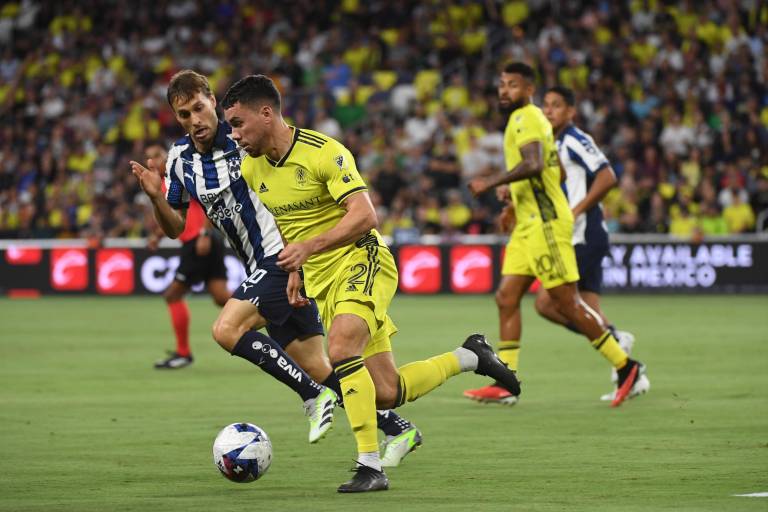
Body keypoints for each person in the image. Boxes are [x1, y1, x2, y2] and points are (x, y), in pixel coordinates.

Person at [222, 74, 521, 493]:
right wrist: (295, 271)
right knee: (384, 392)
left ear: (266, 113)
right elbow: (287, 223)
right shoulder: (253, 168)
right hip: (323, 281)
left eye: (237, 123)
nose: (234, 135)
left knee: (340, 349)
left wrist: (311, 248)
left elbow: (365, 215)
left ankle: (370, 466)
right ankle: (470, 356)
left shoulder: (323, 151)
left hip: (363, 258)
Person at [131, 70, 421, 466]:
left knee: (227, 329)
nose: (194, 120)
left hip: (283, 257)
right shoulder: (180, 160)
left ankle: (311, 397)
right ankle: (396, 426)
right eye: (183, 115)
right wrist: (155, 198)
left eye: (199, 108)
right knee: (318, 366)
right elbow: (175, 227)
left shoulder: (246, 141)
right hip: (263, 266)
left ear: (213, 101)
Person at [463, 62, 647, 408]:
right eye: (502, 84)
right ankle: (507, 380)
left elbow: (533, 165)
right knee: (506, 297)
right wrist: (513, 199)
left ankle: (626, 367)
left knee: (565, 302)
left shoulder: (529, 118)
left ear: (528, 89)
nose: (505, 91)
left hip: (546, 224)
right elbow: (554, 169)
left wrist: (490, 182)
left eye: (513, 85)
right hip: (527, 224)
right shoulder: (526, 122)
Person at [537, 86, 649, 402]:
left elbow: (607, 176)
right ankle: (629, 372)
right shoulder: (553, 143)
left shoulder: (575, 138)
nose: (549, 111)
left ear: (571, 111)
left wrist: (576, 209)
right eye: (545, 105)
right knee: (588, 311)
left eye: (556, 106)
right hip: (573, 235)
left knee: (546, 303)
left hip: (582, 236)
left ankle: (615, 341)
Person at [142, 141, 230, 369]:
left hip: (199, 242)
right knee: (221, 297)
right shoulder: (161, 184)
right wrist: (157, 236)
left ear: (166, 156)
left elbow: (206, 201)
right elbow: (174, 218)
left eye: (157, 155)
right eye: (149, 157)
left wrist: (203, 233)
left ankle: (183, 353)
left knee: (172, 295)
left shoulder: (181, 171)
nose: (153, 161)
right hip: (204, 241)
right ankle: (272, 316)